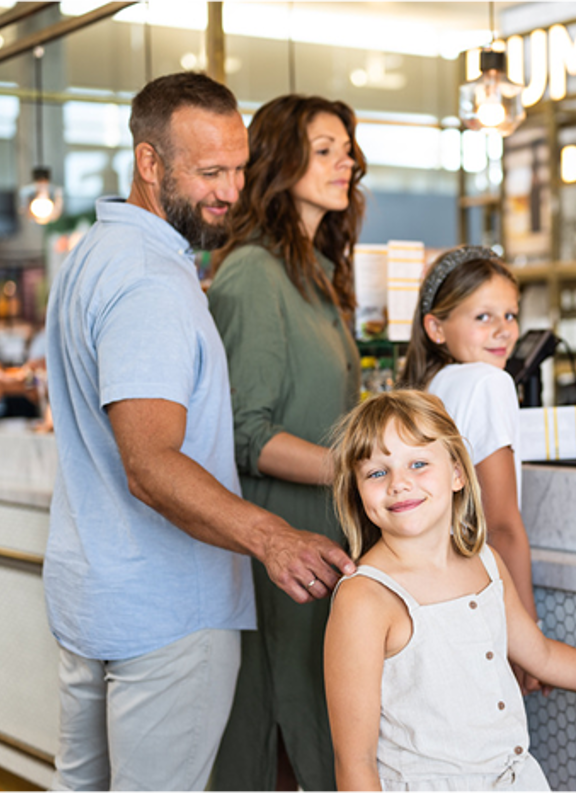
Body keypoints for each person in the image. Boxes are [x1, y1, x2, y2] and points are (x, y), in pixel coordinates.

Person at [43, 72, 354, 793]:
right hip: (167, 609)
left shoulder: (97, 252)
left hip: (96, 594)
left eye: (240, 168)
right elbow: (150, 463)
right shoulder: (151, 277)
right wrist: (271, 535)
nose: (231, 191)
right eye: (210, 172)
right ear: (149, 163)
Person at [325, 390, 576, 792]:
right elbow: (355, 764)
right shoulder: (364, 598)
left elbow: (543, 656)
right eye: (377, 472)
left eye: (419, 463)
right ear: (357, 489)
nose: (399, 483)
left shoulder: (486, 562)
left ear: (458, 474)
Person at [206, 94, 365, 793]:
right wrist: (361, 469)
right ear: (280, 160)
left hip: (325, 538)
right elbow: (248, 435)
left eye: (347, 149)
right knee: (274, 736)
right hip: (279, 542)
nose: (346, 162)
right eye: (325, 148)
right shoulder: (251, 272)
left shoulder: (318, 273)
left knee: (318, 733)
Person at [397, 245, 543, 691]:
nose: (504, 331)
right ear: (436, 327)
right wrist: (528, 637)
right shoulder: (489, 382)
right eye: (484, 317)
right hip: (477, 601)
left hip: (423, 601)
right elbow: (501, 525)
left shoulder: (428, 386)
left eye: (511, 315)